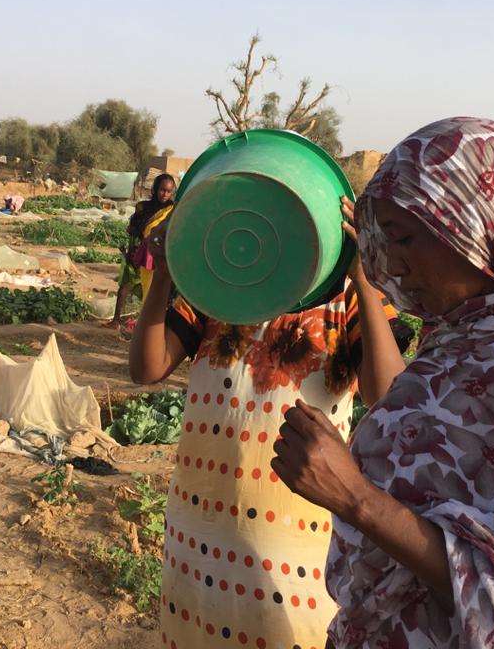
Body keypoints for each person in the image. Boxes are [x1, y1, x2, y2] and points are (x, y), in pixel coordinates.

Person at [272, 117, 494, 648]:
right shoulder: (460, 340)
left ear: (475, 224)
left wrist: (356, 499)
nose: (394, 261)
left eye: (405, 238)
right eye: (385, 239)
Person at [129, 197, 413, 649]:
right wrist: (164, 274)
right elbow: (148, 367)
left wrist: (362, 278)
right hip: (198, 536)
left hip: (296, 548)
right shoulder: (215, 291)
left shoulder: (348, 300)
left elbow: (388, 395)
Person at [110, 174, 177, 329]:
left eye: (169, 191)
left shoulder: (172, 210)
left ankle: (150, 326)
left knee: (156, 292)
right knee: (125, 286)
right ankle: (115, 321)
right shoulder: (142, 207)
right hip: (139, 252)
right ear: (155, 189)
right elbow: (133, 230)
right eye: (162, 190)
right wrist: (130, 250)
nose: (165, 194)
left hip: (158, 256)